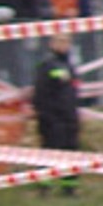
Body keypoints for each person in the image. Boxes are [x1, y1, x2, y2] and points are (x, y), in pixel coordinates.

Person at [32, 31, 81, 194]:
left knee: (71, 151)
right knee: (50, 151)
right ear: (51, 44)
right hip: (52, 117)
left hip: (69, 116)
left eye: (67, 41)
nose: (63, 45)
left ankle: (69, 188)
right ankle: (44, 187)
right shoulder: (47, 64)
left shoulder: (69, 65)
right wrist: (45, 115)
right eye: (59, 41)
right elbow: (40, 91)